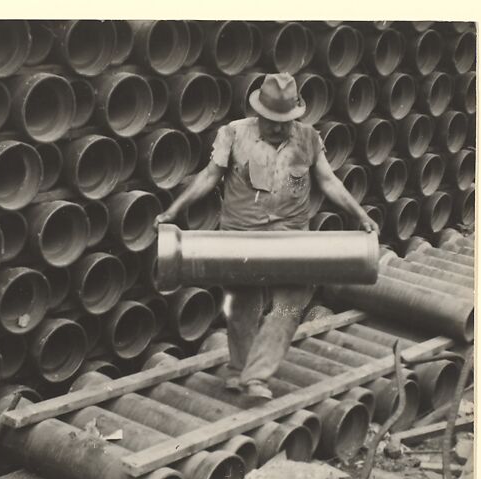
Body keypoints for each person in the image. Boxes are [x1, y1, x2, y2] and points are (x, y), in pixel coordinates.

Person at [155, 73, 379, 400]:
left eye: (285, 121)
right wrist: (173, 211)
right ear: (258, 113)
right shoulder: (233, 134)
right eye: (271, 120)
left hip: (291, 238)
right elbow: (208, 176)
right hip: (241, 235)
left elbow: (329, 182)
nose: (277, 127)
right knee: (243, 304)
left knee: (289, 306)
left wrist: (361, 215)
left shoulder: (309, 139)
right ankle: (239, 370)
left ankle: (256, 377)